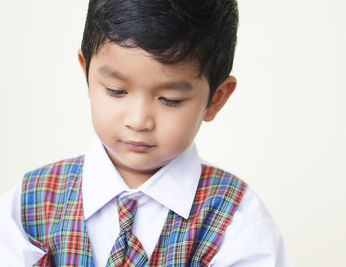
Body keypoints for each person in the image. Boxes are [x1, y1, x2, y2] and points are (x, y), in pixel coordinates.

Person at [0, 0, 289, 266]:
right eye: (116, 91)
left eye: (170, 99)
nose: (138, 121)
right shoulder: (28, 205)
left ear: (216, 99)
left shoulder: (237, 222)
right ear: (87, 74)